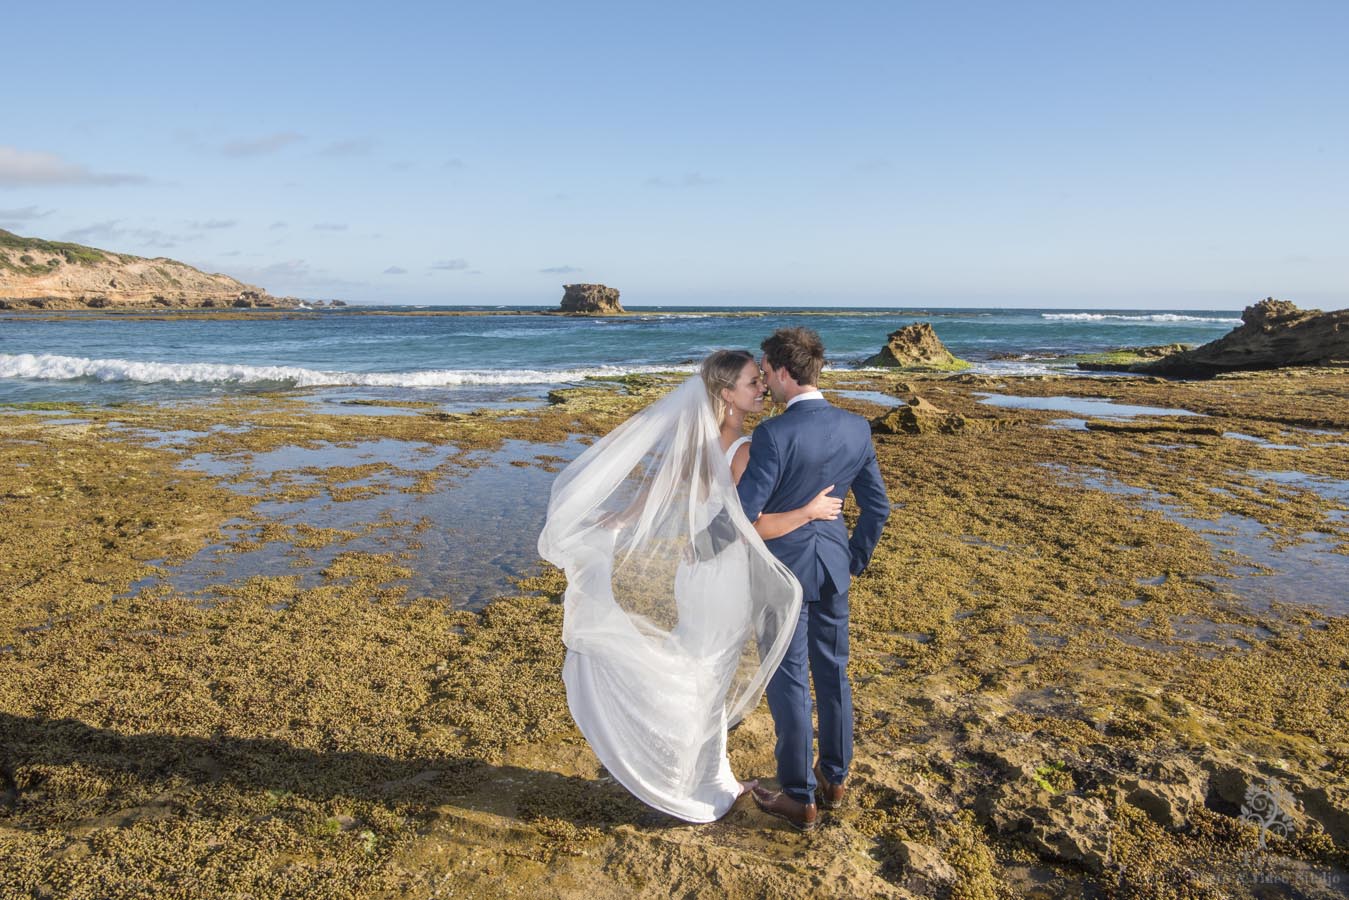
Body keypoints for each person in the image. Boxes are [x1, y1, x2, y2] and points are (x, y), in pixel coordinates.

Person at [536, 349, 840, 823]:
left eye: (761, 379)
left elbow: (652, 489)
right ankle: (703, 780)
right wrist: (808, 513)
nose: (761, 387)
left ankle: (705, 769)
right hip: (724, 578)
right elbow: (747, 526)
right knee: (708, 675)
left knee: (697, 662)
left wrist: (620, 520)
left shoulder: (696, 444)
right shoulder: (745, 450)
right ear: (726, 394)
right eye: (751, 382)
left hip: (692, 576)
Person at [737, 327, 891, 831]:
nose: (764, 379)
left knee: (788, 682)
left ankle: (799, 796)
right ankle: (836, 778)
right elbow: (878, 507)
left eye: (766, 370)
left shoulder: (774, 434)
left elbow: (744, 513)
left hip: (783, 574)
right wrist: (853, 561)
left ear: (784, 371)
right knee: (833, 676)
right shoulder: (856, 427)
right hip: (833, 570)